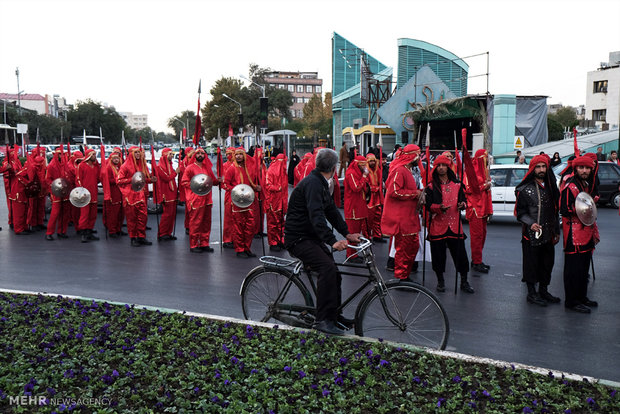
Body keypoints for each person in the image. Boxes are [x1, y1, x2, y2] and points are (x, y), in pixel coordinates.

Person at [284, 148, 361, 335]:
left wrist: (347, 233)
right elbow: (317, 215)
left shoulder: (321, 182)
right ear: (334, 167)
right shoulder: (313, 184)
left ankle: (333, 315)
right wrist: (333, 241)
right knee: (327, 269)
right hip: (298, 238)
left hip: (310, 237)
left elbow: (331, 211)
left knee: (335, 272)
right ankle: (322, 320)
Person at [515, 154, 561, 306]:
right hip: (531, 234)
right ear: (532, 169)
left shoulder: (551, 187)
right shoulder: (524, 189)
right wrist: (531, 223)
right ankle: (531, 293)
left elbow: (555, 210)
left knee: (547, 263)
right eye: (538, 167)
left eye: (543, 166)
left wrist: (556, 231)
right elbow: (520, 213)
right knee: (531, 264)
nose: (541, 170)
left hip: (549, 233)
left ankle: (543, 290)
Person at [424, 155, 474, 293]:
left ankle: (464, 281)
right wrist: (438, 208)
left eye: (444, 165)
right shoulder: (430, 186)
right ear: (435, 168)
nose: (441, 168)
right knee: (438, 256)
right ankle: (440, 281)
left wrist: (462, 205)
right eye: (439, 165)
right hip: (438, 225)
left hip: (454, 226)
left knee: (461, 256)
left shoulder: (458, 184)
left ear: (448, 167)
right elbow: (428, 205)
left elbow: (465, 202)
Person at [560, 155, 599, 314]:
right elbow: (563, 209)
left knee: (583, 266)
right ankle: (571, 300)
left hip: (586, 231)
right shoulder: (570, 186)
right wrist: (583, 209)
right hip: (573, 233)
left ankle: (582, 297)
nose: (584, 171)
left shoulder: (585, 184)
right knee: (573, 269)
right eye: (581, 168)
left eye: (587, 168)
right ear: (576, 168)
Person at [381, 144, 422, 281]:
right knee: (403, 248)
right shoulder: (399, 170)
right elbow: (394, 192)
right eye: (418, 155)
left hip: (410, 217)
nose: (419, 158)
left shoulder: (408, 170)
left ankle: (406, 274)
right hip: (402, 218)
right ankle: (401, 276)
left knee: (413, 246)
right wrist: (414, 194)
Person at [181, 147, 219, 253]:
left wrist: (219, 181)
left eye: (202, 153)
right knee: (195, 223)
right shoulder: (190, 168)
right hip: (195, 199)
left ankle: (204, 243)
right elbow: (184, 182)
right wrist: (196, 186)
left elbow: (213, 181)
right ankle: (194, 245)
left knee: (206, 222)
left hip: (207, 199)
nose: (200, 155)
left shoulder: (207, 168)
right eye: (198, 153)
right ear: (195, 155)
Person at [224, 147, 260, 258]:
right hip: (237, 202)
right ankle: (240, 249)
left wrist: (257, 188)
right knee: (238, 226)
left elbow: (252, 183)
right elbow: (226, 184)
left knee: (250, 226)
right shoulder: (231, 168)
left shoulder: (249, 168)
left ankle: (247, 248)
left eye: (241, 154)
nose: (239, 156)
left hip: (249, 202)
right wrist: (236, 191)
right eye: (237, 154)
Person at [117, 147, 156, 247]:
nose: (138, 154)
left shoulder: (143, 165)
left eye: (139, 152)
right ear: (131, 154)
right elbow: (119, 180)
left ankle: (141, 237)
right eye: (136, 152)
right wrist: (132, 179)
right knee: (132, 218)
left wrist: (151, 179)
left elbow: (144, 179)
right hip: (130, 196)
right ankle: (133, 237)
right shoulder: (125, 166)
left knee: (143, 217)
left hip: (141, 195)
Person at [464, 149, 493, 273]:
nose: (487, 160)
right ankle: (476, 262)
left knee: (482, 236)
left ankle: (477, 259)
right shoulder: (470, 171)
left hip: (483, 207)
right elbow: (468, 189)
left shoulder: (485, 171)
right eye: (485, 158)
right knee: (477, 236)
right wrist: (484, 186)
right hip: (475, 208)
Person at [344, 155, 370, 261]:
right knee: (352, 232)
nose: (364, 167)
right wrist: (364, 176)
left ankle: (354, 252)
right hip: (353, 207)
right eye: (362, 164)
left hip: (359, 205)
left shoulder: (358, 172)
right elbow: (356, 188)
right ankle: (351, 254)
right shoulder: (351, 173)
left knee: (357, 231)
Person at [45, 147, 71, 240]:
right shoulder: (51, 165)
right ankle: (49, 232)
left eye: (62, 154)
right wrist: (56, 186)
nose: (61, 155)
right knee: (55, 213)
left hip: (65, 191)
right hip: (56, 192)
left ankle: (62, 231)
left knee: (65, 212)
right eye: (60, 154)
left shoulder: (65, 164)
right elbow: (48, 179)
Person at [76, 149, 100, 243]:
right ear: (89, 155)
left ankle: (89, 231)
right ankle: (83, 233)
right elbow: (78, 180)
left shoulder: (95, 166)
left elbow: (98, 178)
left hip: (94, 193)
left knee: (93, 214)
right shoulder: (81, 166)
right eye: (93, 155)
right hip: (84, 194)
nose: (95, 156)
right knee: (84, 215)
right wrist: (81, 191)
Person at [265, 153, 288, 251]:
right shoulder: (271, 170)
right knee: (273, 223)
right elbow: (267, 185)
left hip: (281, 202)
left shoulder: (284, 172)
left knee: (281, 222)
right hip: (273, 201)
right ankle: (273, 242)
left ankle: (280, 240)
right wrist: (277, 188)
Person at [102, 149, 125, 238]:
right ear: (111, 159)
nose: (116, 160)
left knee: (120, 213)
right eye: (114, 158)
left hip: (120, 193)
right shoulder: (108, 168)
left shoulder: (120, 167)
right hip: (113, 193)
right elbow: (107, 180)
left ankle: (119, 229)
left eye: (117, 158)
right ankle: (112, 231)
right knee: (113, 214)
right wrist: (118, 180)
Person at [156, 147, 178, 241]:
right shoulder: (159, 167)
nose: (172, 156)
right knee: (167, 215)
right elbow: (166, 178)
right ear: (165, 155)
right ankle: (162, 233)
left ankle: (168, 233)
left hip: (172, 193)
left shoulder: (170, 165)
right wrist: (175, 173)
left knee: (172, 214)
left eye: (172, 154)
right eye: (170, 154)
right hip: (166, 194)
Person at [1, 146, 23, 230]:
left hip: (17, 184)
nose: (17, 154)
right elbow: (6, 174)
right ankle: (12, 221)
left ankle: (16, 220)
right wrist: (10, 171)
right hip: (10, 185)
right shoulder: (6, 162)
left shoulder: (16, 161)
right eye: (15, 153)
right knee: (11, 203)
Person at [365, 153, 384, 243]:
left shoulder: (378, 170)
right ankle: (368, 236)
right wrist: (374, 188)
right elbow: (366, 184)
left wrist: (380, 188)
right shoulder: (366, 171)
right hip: (370, 198)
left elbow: (380, 182)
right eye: (370, 161)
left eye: (373, 161)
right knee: (369, 218)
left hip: (377, 197)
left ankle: (377, 235)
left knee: (378, 216)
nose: (372, 162)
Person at [221, 147, 235, 248]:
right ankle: (227, 239)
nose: (228, 156)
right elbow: (224, 183)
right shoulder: (225, 166)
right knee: (228, 217)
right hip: (230, 194)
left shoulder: (240, 165)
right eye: (227, 154)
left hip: (240, 195)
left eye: (230, 153)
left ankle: (235, 238)